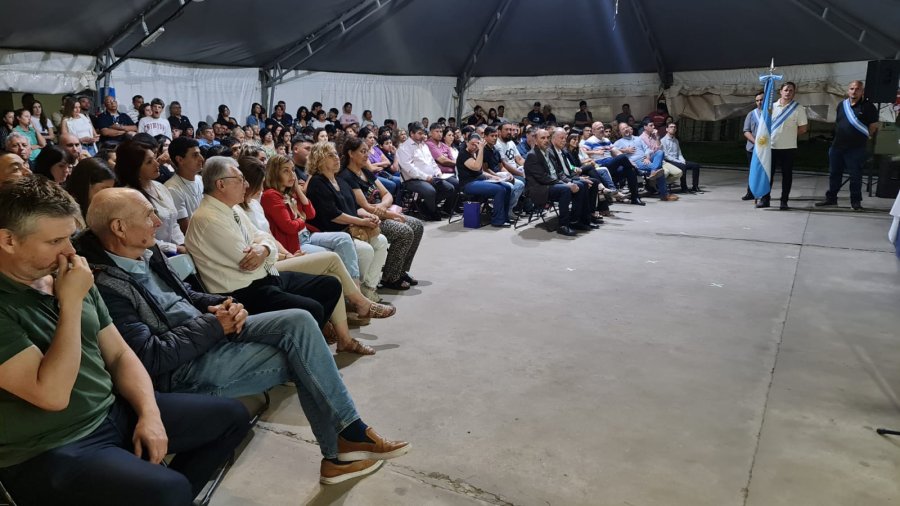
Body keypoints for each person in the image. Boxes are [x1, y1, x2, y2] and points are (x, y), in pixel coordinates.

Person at [78, 186, 407, 483]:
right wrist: (213, 324)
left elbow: (186, 296)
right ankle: (343, 444)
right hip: (183, 368)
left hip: (208, 333)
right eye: (148, 215)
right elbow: (150, 357)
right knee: (307, 356)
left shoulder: (147, 253)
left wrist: (221, 305)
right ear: (119, 228)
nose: (157, 221)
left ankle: (344, 444)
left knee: (300, 320)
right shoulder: (105, 284)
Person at [0, 177, 250, 506]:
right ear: (8, 240)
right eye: (55, 241)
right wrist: (71, 304)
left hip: (111, 410)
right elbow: (53, 394)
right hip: (50, 445)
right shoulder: (51, 290)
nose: (70, 251)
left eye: (70, 237)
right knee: (168, 491)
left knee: (232, 418)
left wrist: (149, 414)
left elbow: (119, 354)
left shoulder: (66, 275)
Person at [303, 143, 390, 302]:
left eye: (336, 154)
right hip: (331, 232)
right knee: (365, 251)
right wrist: (362, 222)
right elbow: (333, 215)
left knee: (382, 241)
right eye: (330, 155)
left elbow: (354, 208)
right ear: (319, 159)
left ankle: (369, 288)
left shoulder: (340, 181)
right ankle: (355, 293)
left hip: (350, 229)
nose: (336, 158)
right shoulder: (317, 182)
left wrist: (369, 216)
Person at [341, 136, 423, 289]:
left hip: (382, 212)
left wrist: (382, 206)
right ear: (351, 154)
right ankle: (390, 277)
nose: (367, 155)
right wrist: (389, 213)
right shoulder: (346, 176)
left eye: (367, 151)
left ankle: (401, 271)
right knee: (404, 231)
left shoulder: (366, 172)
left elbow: (387, 194)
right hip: (368, 218)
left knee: (417, 225)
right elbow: (365, 206)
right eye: (362, 152)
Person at [815, 80, 879, 210]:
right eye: (852, 89)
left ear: (862, 91)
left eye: (857, 89)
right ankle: (831, 198)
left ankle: (855, 201)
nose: (854, 91)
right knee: (834, 173)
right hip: (837, 146)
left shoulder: (869, 107)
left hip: (856, 148)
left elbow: (873, 127)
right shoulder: (841, 105)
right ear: (848, 90)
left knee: (855, 175)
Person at [115, 140, 185, 255]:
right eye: (149, 162)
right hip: (150, 254)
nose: (156, 164)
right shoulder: (129, 196)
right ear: (134, 168)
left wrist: (183, 244)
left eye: (154, 158)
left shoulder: (160, 187)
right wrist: (175, 248)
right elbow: (140, 236)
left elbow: (173, 223)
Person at [524, 128, 596, 237]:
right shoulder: (532, 155)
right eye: (542, 138)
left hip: (552, 183)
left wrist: (570, 181)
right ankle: (563, 225)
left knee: (582, 185)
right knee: (565, 189)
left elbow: (559, 172)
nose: (546, 140)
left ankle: (579, 220)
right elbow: (543, 178)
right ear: (536, 140)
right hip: (540, 188)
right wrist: (566, 184)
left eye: (547, 137)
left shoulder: (548, 152)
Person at [758, 81, 807, 210]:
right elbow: (764, 125)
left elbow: (803, 128)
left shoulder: (798, 108)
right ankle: (765, 199)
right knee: (768, 175)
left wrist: (789, 134)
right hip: (771, 147)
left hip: (788, 148)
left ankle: (784, 201)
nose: (788, 93)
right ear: (780, 91)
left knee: (787, 176)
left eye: (791, 90)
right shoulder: (771, 107)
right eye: (786, 90)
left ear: (794, 93)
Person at [397, 122, 459, 220]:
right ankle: (431, 211)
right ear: (412, 133)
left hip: (431, 177)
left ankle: (425, 207)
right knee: (430, 191)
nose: (422, 136)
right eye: (419, 133)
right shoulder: (404, 148)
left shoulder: (424, 145)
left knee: (449, 188)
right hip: (412, 180)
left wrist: (438, 172)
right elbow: (409, 169)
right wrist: (425, 177)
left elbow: (432, 162)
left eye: (423, 133)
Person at [455, 133, 512, 227]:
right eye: (472, 144)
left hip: (479, 180)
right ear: (467, 142)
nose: (475, 147)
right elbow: (476, 167)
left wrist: (493, 177)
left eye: (477, 144)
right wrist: (481, 149)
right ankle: (498, 220)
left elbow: (480, 172)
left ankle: (505, 218)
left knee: (507, 187)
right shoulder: (463, 154)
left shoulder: (475, 153)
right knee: (500, 190)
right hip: (468, 184)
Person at [613, 122, 679, 201]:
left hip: (646, 159)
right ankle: (664, 195)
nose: (626, 129)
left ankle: (653, 171)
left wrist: (647, 157)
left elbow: (647, 149)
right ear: (620, 132)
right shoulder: (618, 143)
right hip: (636, 162)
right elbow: (613, 153)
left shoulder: (638, 138)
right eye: (623, 129)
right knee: (660, 170)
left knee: (660, 152)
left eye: (626, 127)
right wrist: (625, 150)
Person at [163, 136, 205, 234]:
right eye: (195, 155)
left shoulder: (200, 179)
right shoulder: (172, 188)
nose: (201, 159)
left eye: (200, 154)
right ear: (180, 160)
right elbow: (186, 229)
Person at [660, 123, 702, 193]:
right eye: (671, 127)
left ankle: (695, 186)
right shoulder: (663, 140)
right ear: (667, 129)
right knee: (683, 166)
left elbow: (679, 153)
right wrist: (679, 162)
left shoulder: (676, 140)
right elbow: (666, 156)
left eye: (674, 127)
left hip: (677, 160)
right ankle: (684, 187)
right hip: (669, 161)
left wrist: (682, 160)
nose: (673, 128)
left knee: (696, 165)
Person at [741, 91, 765, 200]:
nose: (759, 102)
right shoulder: (751, 114)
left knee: (765, 172)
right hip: (752, 148)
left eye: (761, 100)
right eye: (757, 100)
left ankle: (764, 194)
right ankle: (750, 192)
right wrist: (756, 142)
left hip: (767, 149)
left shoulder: (771, 114)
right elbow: (746, 131)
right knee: (753, 171)